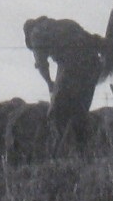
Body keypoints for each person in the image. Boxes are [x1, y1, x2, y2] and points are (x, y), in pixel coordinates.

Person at [23, 16, 105, 155]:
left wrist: (50, 83)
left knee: (56, 113)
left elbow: (42, 64)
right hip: (93, 66)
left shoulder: (36, 33)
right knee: (80, 112)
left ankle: (60, 153)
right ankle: (83, 152)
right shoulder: (66, 23)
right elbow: (94, 40)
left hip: (72, 66)